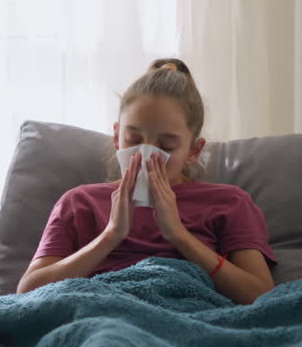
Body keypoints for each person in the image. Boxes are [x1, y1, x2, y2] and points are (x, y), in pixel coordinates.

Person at [16, 59, 276, 304]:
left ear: (194, 151)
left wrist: (180, 236)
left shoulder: (229, 203)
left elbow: (260, 295)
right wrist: (111, 235)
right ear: (117, 137)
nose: (145, 154)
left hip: (188, 315)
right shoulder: (80, 202)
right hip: (98, 312)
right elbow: (28, 291)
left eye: (166, 145)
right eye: (134, 140)